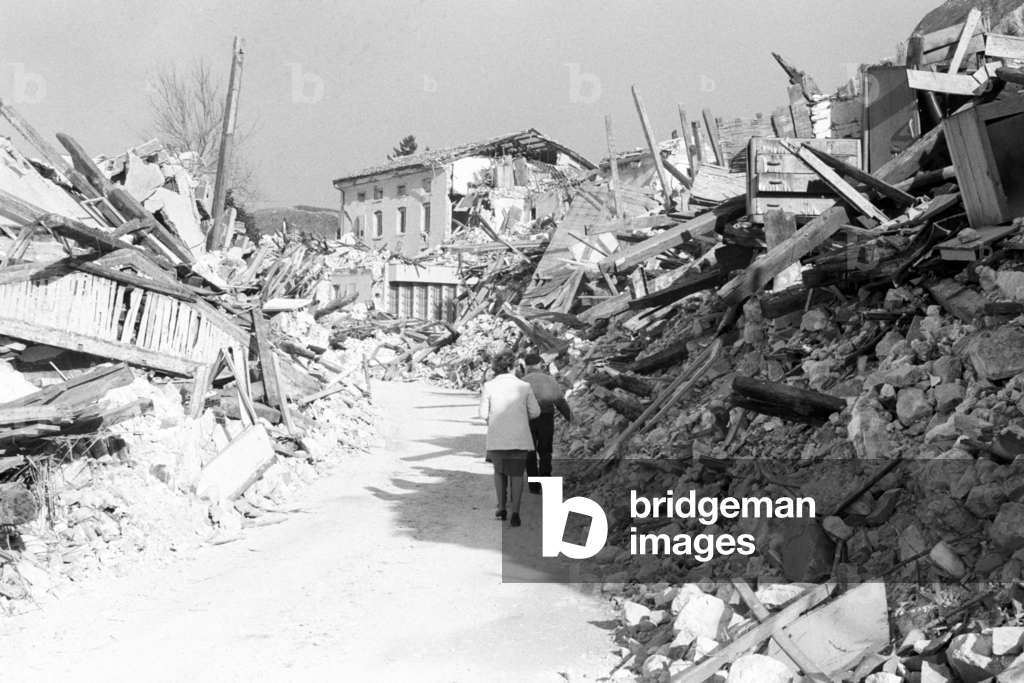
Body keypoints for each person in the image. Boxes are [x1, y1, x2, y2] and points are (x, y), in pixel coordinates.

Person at [479, 351, 541, 527]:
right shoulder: (524, 386)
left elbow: (483, 413)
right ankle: (516, 513)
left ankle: (501, 507)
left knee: (499, 472)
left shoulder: (489, 386)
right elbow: (535, 412)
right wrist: (520, 418)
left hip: (497, 437)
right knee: (517, 474)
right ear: (510, 367)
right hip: (519, 437)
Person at [521, 353, 572, 494]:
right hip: (546, 417)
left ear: (526, 366)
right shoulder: (549, 380)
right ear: (539, 365)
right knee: (545, 450)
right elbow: (560, 401)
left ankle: (534, 486)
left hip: (528, 419)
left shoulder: (521, 381)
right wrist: (571, 419)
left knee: (529, 452)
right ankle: (545, 475)